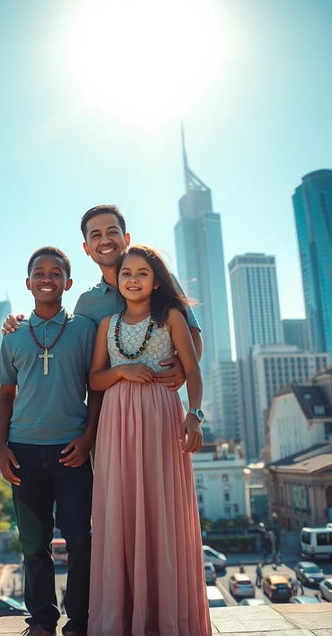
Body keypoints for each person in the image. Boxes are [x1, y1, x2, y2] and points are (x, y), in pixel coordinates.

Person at [88, 245, 210, 636]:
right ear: (117, 281)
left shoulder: (170, 316)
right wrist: (126, 372)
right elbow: (94, 379)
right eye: (126, 273)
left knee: (161, 507)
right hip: (117, 422)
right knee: (121, 507)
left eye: (142, 273)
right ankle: (122, 617)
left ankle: (165, 616)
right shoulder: (107, 323)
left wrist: (195, 413)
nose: (133, 279)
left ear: (156, 280)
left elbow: (192, 369)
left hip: (160, 417)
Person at [0, 247, 98, 636]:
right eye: (39, 272)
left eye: (56, 273)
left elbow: (97, 388)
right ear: (28, 282)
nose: (47, 278)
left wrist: (88, 437)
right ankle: (41, 619)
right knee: (33, 545)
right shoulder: (14, 334)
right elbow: (6, 395)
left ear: (67, 283)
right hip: (22, 451)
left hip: (71, 451)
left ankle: (80, 619)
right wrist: (1, 448)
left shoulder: (84, 330)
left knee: (80, 540)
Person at [3, 205, 203, 383]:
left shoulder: (161, 280)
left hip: (158, 401)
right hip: (111, 409)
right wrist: (20, 322)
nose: (105, 240)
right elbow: (65, 338)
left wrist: (182, 366)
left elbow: (192, 333)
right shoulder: (86, 303)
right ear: (87, 248)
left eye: (112, 232)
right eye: (96, 235)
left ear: (126, 239)